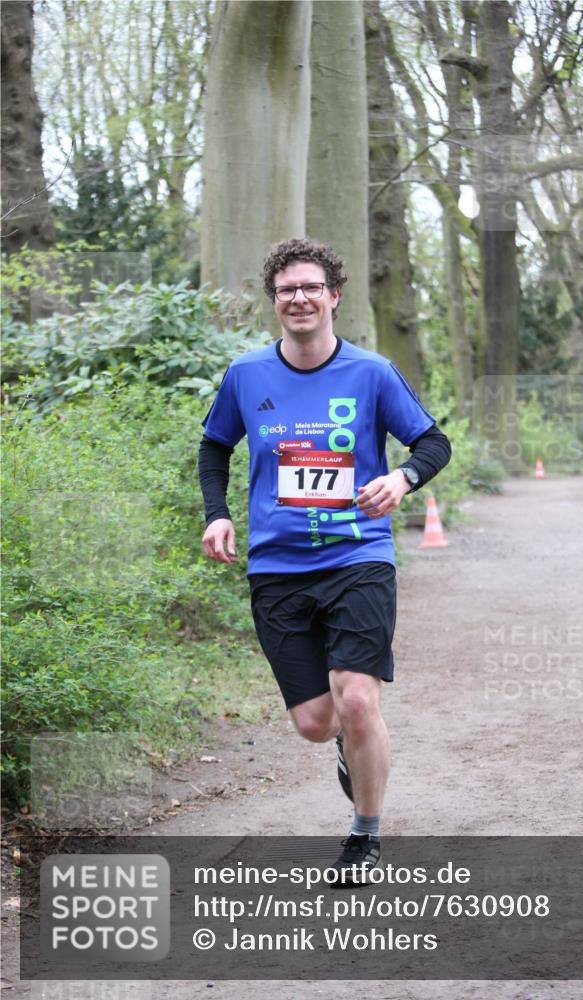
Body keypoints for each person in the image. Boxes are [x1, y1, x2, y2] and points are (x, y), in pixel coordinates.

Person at [198, 237, 451, 882]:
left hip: (358, 556)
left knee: (359, 699)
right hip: (278, 566)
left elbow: (432, 441)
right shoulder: (245, 375)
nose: (300, 298)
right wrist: (218, 512)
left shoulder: (371, 372)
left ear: (334, 296)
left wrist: (403, 480)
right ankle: (345, 744)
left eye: (311, 287)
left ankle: (364, 837)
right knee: (316, 722)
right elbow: (213, 450)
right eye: (287, 290)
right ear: (275, 303)